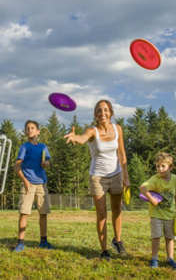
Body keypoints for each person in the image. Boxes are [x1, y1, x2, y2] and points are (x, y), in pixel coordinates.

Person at [64, 100, 130, 261]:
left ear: (111, 113)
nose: (103, 113)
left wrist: (126, 177)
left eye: (106, 110)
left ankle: (118, 240)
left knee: (117, 210)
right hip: (98, 177)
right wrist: (75, 137)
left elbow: (121, 153)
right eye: (99, 110)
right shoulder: (92, 131)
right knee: (101, 214)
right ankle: (104, 250)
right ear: (95, 114)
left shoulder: (118, 129)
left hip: (116, 174)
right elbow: (82, 138)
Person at [14, 120, 54, 252]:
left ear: (38, 132)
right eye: (27, 128)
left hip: (42, 183)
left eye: (32, 128)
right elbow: (17, 167)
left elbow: (47, 163)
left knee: (43, 213)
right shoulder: (24, 147)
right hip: (28, 184)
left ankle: (43, 241)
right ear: (25, 132)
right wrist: (25, 182)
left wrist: (46, 165)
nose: (29, 130)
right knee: (24, 213)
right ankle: (20, 243)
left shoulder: (43, 147)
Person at [139, 152, 176, 270]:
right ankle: (154, 258)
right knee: (156, 236)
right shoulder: (155, 179)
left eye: (163, 166)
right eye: (158, 166)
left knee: (170, 237)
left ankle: (170, 258)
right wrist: (152, 200)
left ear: (171, 167)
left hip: (170, 215)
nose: (160, 169)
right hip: (156, 215)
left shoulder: (175, 179)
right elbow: (142, 188)